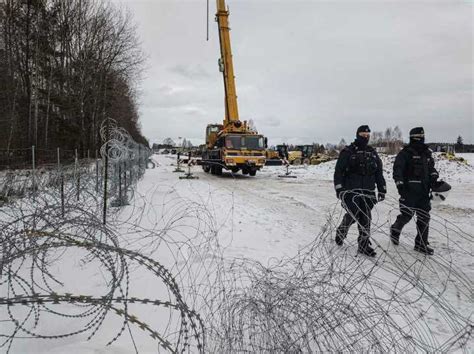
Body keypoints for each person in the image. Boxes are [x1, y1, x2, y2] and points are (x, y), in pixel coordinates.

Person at [334, 125, 386, 257]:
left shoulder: (372, 153)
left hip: (368, 191)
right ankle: (342, 230)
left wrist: (382, 188)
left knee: (366, 217)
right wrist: (339, 188)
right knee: (353, 213)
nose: (366, 137)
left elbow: (378, 172)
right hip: (351, 190)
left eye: (368, 135)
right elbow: (338, 171)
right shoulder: (348, 151)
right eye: (363, 135)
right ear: (357, 135)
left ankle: (363, 245)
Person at [390, 127, 439, 255]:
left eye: (423, 136)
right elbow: (397, 170)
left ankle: (421, 244)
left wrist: (434, 176)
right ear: (414, 138)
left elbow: (431, 168)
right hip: (409, 190)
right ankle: (395, 229)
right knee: (407, 214)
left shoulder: (427, 153)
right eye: (419, 137)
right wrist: (400, 185)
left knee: (424, 217)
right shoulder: (405, 153)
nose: (422, 139)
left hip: (424, 191)